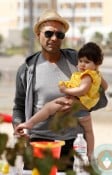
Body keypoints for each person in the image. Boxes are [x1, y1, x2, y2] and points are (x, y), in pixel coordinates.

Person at [12, 9, 107, 170]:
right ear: (38, 35)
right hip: (38, 143)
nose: (54, 38)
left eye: (59, 35)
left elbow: (102, 99)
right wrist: (19, 127)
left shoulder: (78, 62)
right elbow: (18, 107)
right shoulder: (26, 69)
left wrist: (81, 104)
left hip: (73, 145)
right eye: (48, 33)